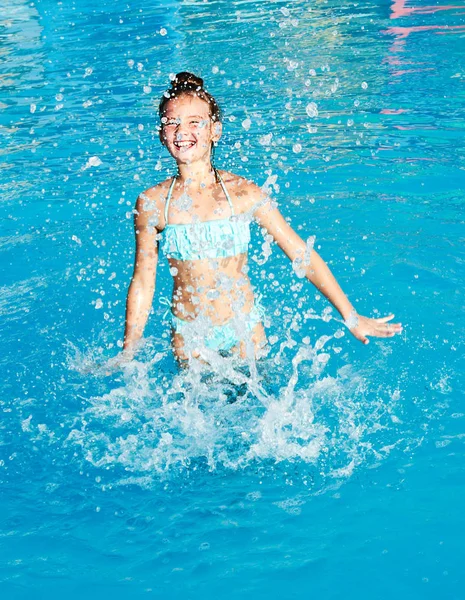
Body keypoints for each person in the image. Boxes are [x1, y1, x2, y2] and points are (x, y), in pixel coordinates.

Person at [122, 71, 402, 364]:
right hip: (190, 333)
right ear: (160, 132)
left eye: (195, 122)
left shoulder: (244, 194)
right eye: (172, 123)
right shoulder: (153, 203)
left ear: (214, 131)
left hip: (243, 326)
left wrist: (350, 314)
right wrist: (129, 351)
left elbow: (300, 254)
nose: (182, 132)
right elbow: (143, 279)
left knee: (257, 400)